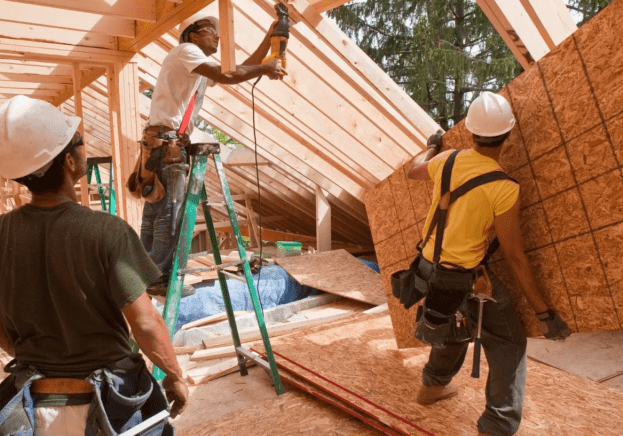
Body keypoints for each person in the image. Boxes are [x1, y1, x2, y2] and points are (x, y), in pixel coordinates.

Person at [0, 95, 188, 435]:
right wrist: (175, 377)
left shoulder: (2, 233)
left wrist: (29, 352)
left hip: (32, 403)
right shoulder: (107, 231)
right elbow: (146, 322)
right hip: (111, 401)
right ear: (70, 160)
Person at [406, 91, 571, 436]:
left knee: (447, 320)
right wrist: (544, 313)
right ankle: (496, 427)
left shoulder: (446, 161)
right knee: (509, 342)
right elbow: (514, 256)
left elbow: (413, 170)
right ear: (508, 135)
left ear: (470, 131)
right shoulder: (503, 186)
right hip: (462, 277)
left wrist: (433, 145)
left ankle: (432, 387)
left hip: (428, 269)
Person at [129, 12, 286, 297]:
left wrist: (268, 38)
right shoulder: (187, 52)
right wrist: (266, 70)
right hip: (167, 145)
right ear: (192, 33)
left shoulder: (195, 66)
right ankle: (159, 278)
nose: (218, 36)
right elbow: (228, 75)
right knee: (169, 214)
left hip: (161, 143)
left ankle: (145, 274)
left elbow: (239, 68)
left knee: (155, 212)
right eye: (212, 31)